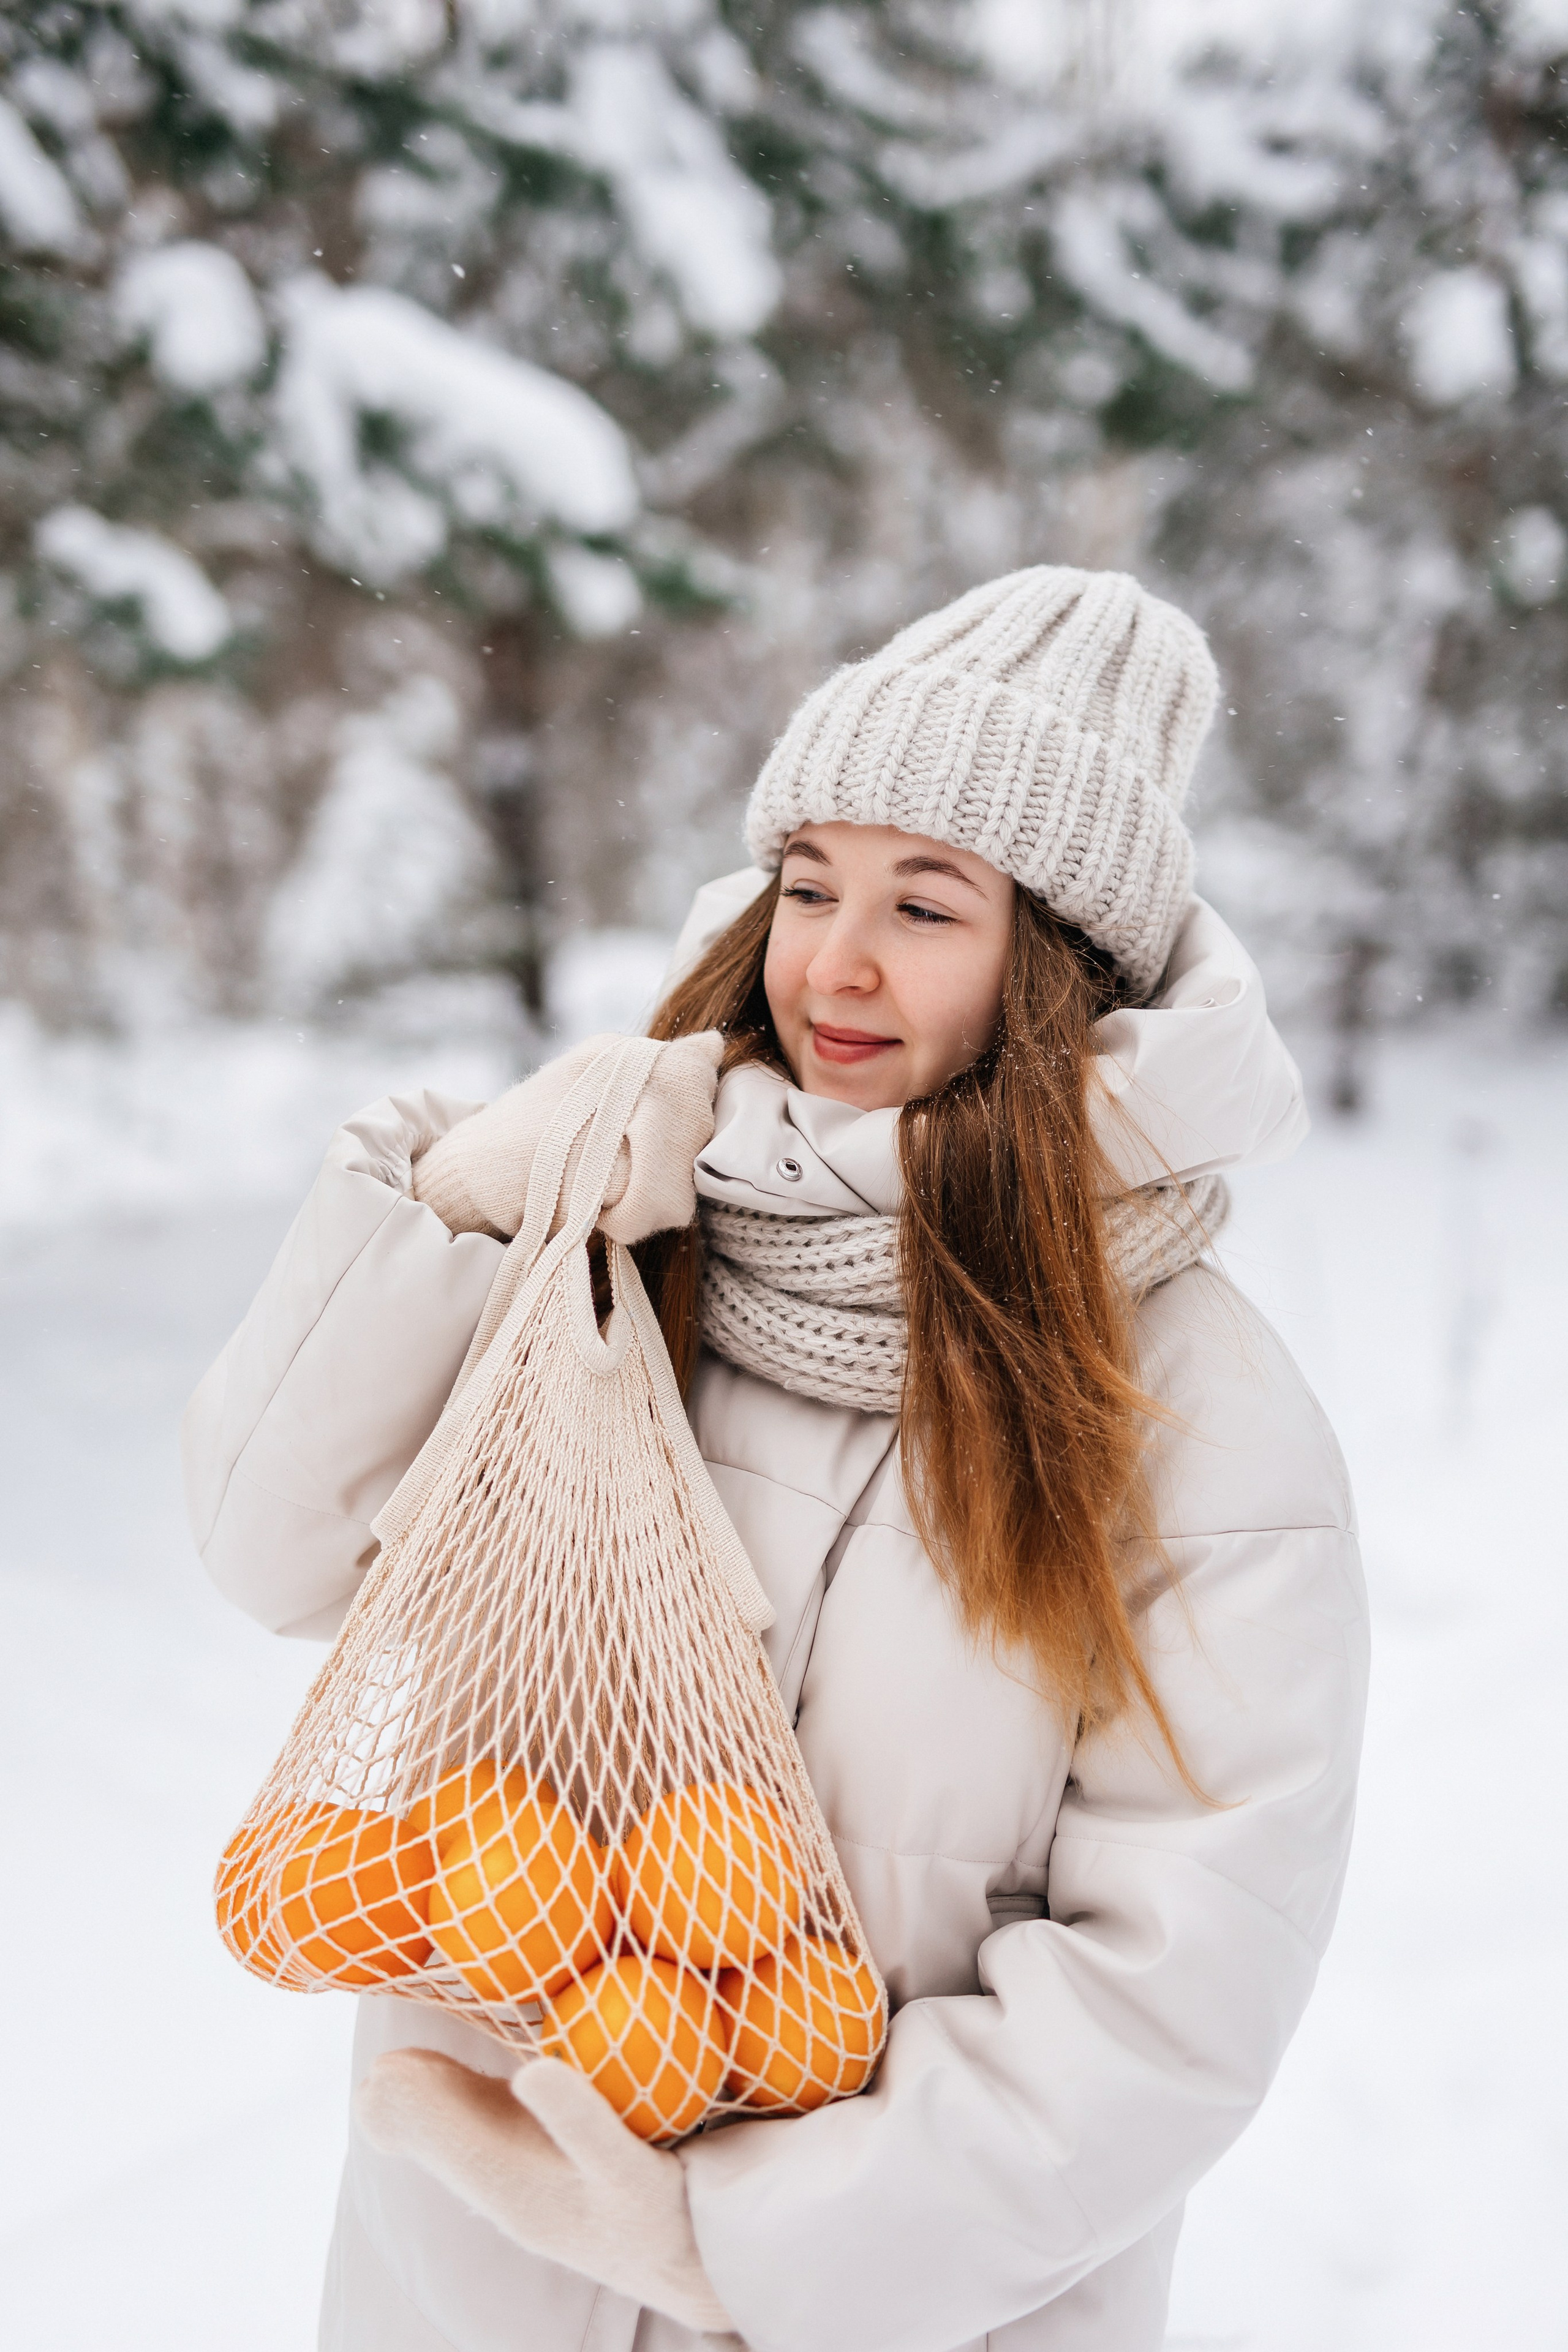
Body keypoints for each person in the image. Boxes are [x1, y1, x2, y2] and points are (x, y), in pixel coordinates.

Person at [183, 566, 1368, 2352]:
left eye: (926, 902)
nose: (837, 961)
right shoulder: (632, 1228)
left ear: (1057, 966)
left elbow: (1176, 1985)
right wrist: (465, 1213)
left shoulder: (1186, 1412)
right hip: (479, 2278)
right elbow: (276, 1550)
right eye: (809, 883)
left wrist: (741, 2246)